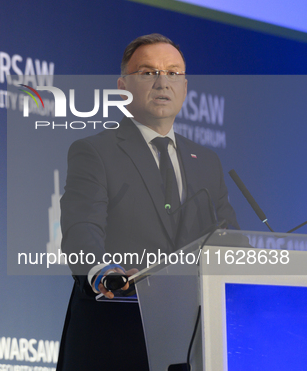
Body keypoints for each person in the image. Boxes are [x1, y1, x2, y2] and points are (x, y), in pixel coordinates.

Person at [56, 34, 238, 370]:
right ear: (123, 86)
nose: (161, 82)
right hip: (115, 340)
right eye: (148, 72)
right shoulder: (95, 151)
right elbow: (82, 226)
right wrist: (103, 271)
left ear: (184, 87)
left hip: (191, 348)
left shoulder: (206, 162)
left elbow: (229, 240)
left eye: (172, 73)